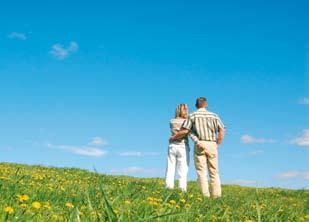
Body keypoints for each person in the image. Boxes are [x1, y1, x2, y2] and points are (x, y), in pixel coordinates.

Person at [170, 97, 225, 198]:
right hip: (212, 143)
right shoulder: (214, 116)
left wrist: (174, 137)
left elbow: (186, 130)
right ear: (206, 104)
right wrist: (218, 143)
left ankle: (205, 196)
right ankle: (216, 196)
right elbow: (222, 129)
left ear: (196, 105)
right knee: (214, 171)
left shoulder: (192, 115)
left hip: (199, 144)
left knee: (201, 172)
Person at [165, 104, 199, 192]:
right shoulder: (187, 121)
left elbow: (175, 131)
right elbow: (186, 132)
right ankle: (182, 189)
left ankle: (168, 187)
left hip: (172, 145)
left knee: (170, 168)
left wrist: (174, 137)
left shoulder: (172, 121)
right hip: (183, 146)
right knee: (183, 169)